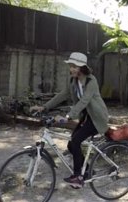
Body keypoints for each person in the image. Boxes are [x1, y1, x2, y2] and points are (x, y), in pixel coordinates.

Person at [31, 52, 109, 188]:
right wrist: (44, 107)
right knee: (71, 145)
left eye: (75, 66)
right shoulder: (73, 81)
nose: (71, 69)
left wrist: (67, 117)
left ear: (82, 68)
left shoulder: (91, 81)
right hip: (85, 117)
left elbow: (84, 101)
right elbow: (62, 95)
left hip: (97, 118)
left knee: (76, 140)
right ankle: (87, 171)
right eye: (71, 66)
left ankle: (78, 177)